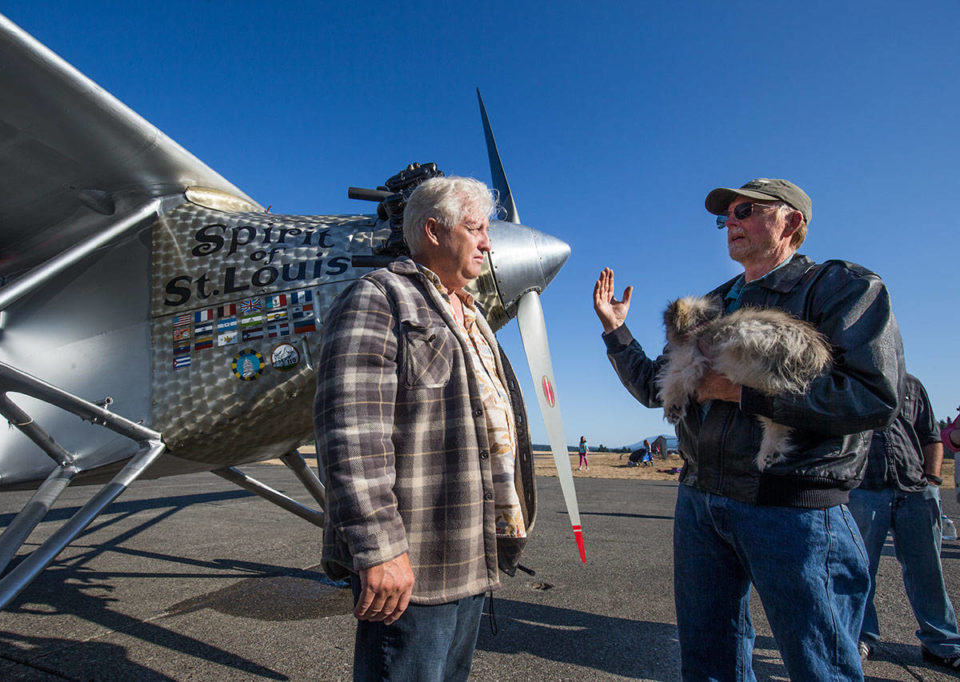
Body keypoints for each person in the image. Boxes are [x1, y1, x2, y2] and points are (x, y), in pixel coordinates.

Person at [593, 178, 903, 680]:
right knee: (709, 662)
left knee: (819, 665)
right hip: (700, 502)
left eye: (744, 210)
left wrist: (740, 391)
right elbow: (658, 388)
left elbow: (872, 396)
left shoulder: (843, 288)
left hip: (793, 509)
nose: (730, 222)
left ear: (791, 221)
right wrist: (615, 330)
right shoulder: (709, 304)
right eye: (726, 216)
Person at [314, 176, 533, 681]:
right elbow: (350, 435)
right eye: (476, 229)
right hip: (414, 560)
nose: (487, 242)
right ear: (434, 231)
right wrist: (380, 549)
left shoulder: (473, 318)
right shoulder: (378, 298)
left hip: (471, 552)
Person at [848, 373, 960, 668]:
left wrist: (933, 481)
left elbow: (931, 436)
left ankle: (942, 643)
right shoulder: (849, 379)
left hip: (914, 490)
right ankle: (862, 637)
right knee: (860, 569)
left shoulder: (911, 385)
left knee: (928, 570)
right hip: (863, 490)